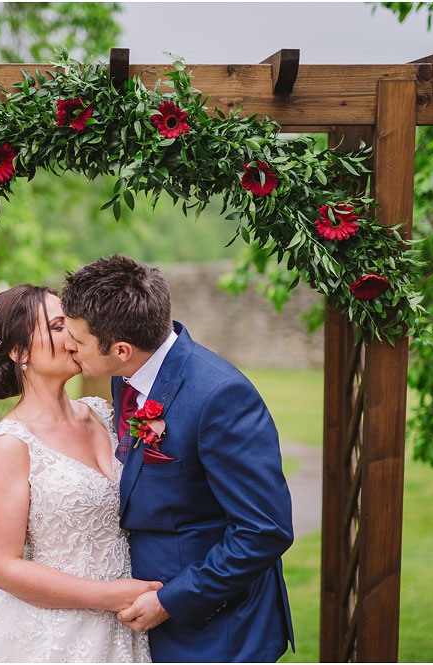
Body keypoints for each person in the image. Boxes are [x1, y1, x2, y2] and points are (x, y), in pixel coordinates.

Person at [60, 255, 295, 662]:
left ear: (120, 349)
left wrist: (172, 600)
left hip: (216, 629)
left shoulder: (221, 397)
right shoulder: (127, 376)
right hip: (147, 621)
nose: (68, 346)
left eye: (77, 342)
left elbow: (264, 530)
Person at [0, 284, 156, 662]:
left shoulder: (104, 413)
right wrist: (108, 595)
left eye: (71, 323)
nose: (74, 336)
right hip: (55, 633)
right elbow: (2, 568)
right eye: (57, 326)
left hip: (127, 625)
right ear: (19, 352)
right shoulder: (11, 444)